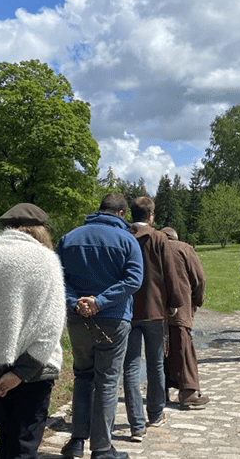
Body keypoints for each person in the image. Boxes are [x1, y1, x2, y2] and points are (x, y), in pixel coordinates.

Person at [0, 203, 66, 459]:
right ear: (40, 229)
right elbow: (52, 324)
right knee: (25, 445)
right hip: (35, 370)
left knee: (7, 439)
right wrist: (20, 373)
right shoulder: (46, 260)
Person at [56, 193, 144, 459]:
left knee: (82, 376)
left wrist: (77, 303)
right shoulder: (127, 240)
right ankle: (103, 448)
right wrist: (100, 302)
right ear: (121, 213)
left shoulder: (70, 238)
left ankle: (76, 442)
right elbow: (134, 279)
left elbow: (56, 276)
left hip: (78, 318)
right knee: (106, 381)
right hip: (114, 319)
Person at [122, 197, 184, 441]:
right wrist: (174, 303)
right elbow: (170, 272)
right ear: (150, 216)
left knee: (130, 367)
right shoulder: (158, 238)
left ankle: (136, 423)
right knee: (156, 363)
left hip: (127, 309)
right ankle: (156, 413)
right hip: (154, 308)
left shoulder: (124, 235)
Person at [159, 227, 208, 410]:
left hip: (154, 309)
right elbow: (199, 279)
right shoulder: (183, 248)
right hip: (179, 307)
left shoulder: (150, 248)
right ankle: (188, 392)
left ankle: (160, 391)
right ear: (175, 237)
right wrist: (196, 301)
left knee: (158, 350)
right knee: (183, 347)